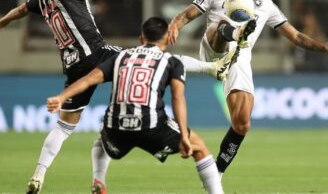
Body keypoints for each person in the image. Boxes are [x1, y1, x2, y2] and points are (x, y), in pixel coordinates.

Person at [0, 0, 232, 193]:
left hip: (73, 66)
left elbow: (20, 10)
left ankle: (39, 173)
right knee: (149, 55)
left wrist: (3, 22)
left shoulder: (39, 3)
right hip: (96, 53)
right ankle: (211, 68)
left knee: (64, 126)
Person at [168, 0, 328, 191]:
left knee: (242, 124)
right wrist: (174, 25)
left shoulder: (266, 5)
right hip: (215, 47)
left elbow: (296, 36)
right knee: (219, 25)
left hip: (239, 58)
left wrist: (324, 47)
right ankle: (235, 32)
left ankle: (216, 174)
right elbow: (187, 14)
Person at [46, 16, 224, 194]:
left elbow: (88, 80)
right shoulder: (171, 62)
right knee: (199, 147)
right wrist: (184, 136)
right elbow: (178, 99)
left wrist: (62, 97)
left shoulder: (120, 56)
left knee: (102, 139)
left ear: (141, 38)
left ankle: (98, 180)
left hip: (116, 127)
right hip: (151, 125)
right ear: (168, 38)